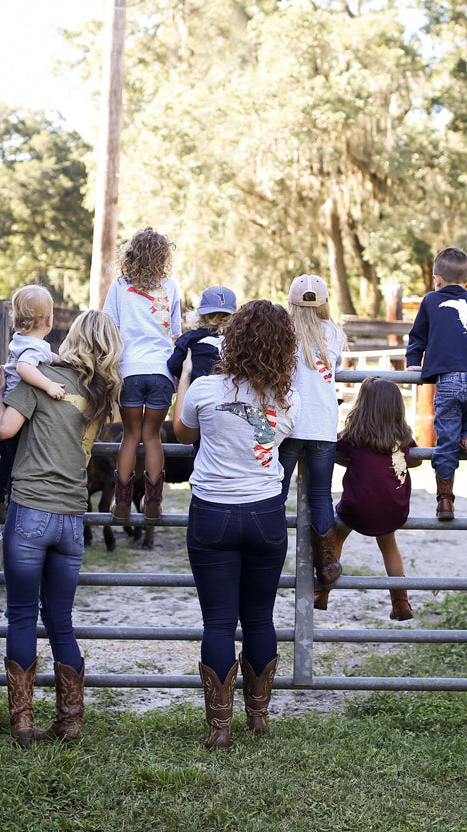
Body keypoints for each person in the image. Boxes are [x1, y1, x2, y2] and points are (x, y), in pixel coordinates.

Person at [172, 299, 300, 749]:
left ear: (233, 339)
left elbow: (182, 432)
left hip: (212, 513)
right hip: (265, 514)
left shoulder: (206, 390)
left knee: (219, 622)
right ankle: (259, 718)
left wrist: (187, 375)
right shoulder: (290, 398)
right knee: (261, 618)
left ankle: (219, 728)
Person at [0, 311, 123, 746]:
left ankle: (24, 723)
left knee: (21, 616)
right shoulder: (101, 394)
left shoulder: (41, 377)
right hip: (72, 517)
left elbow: (6, 429)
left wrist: (1, 392)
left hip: (30, 510)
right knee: (61, 622)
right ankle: (69, 720)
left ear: (74, 337)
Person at [405, 247, 467, 521]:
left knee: (446, 441)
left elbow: (418, 336)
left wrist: (414, 362)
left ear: (436, 279)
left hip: (448, 381)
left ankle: (445, 503)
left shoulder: (430, 300)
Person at [314, 377, 421, 620]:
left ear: (363, 405)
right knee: (389, 546)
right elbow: (417, 460)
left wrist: (353, 461)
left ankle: (322, 592)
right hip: (394, 509)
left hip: (356, 509)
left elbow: (333, 453)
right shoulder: (402, 437)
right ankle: (401, 602)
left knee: (336, 534)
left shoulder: (353, 435)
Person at [102, 227, 183, 522]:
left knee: (130, 436)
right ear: (163, 256)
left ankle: (121, 505)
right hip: (161, 372)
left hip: (129, 371)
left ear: (131, 254)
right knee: (152, 438)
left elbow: (109, 326)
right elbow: (175, 332)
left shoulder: (120, 285)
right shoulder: (170, 286)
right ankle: (153, 503)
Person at [277, 274, 348, 588]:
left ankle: (269, 556)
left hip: (288, 425)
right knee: (321, 496)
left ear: (291, 302)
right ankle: (327, 564)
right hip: (322, 425)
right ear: (323, 302)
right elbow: (335, 368)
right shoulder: (334, 332)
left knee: (273, 493)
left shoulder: (282, 331)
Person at [0, 284, 65, 522]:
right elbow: (26, 368)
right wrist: (48, 384)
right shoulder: (32, 347)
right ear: (49, 321)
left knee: (8, 459)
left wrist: (66, 362)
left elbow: (50, 356)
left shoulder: (23, 341)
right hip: (18, 408)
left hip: (11, 404)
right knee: (15, 462)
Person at [167, 285, 237, 383]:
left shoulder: (189, 339)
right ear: (232, 317)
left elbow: (173, 366)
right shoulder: (236, 341)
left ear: (200, 316)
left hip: (198, 392)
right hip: (228, 393)